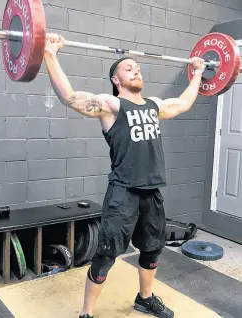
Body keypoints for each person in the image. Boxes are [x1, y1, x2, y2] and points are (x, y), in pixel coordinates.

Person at [44, 33, 205, 318]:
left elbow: (182, 103)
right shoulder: (111, 105)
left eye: (137, 67)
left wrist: (198, 73)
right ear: (116, 80)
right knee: (106, 255)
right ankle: (87, 313)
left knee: (153, 250)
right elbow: (70, 97)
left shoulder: (154, 105)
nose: (136, 70)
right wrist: (49, 53)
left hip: (152, 192)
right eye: (128, 68)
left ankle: (145, 298)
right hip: (123, 194)